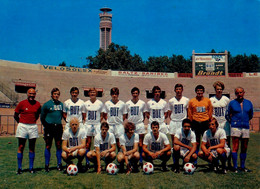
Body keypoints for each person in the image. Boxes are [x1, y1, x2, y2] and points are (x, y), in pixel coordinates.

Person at [226, 87, 253, 173]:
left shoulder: (249, 103)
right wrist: (233, 122)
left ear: (244, 93)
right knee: (235, 147)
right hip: (235, 127)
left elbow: (251, 115)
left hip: (245, 126)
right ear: (235, 94)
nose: (239, 94)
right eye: (237, 93)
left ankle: (242, 166)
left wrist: (245, 121)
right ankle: (235, 167)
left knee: (244, 147)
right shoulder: (232, 103)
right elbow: (227, 114)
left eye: (241, 92)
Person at [14, 88, 41, 174]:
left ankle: (31, 168)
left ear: (35, 95)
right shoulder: (22, 103)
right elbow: (15, 115)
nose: (32, 95)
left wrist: (31, 122)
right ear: (27, 94)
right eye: (30, 94)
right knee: (21, 146)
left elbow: (37, 115)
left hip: (32, 126)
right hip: (23, 126)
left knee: (32, 148)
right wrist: (21, 123)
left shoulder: (38, 104)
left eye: (33, 94)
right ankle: (19, 168)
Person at [41, 88, 64, 172]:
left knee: (58, 145)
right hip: (49, 127)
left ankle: (59, 164)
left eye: (57, 94)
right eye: (55, 94)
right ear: (51, 95)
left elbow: (63, 115)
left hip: (58, 127)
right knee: (48, 145)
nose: (56, 95)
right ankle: (47, 165)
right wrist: (46, 126)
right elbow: (42, 117)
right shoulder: (47, 104)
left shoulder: (61, 104)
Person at [210, 81, 231, 168]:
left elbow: (230, 111)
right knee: (215, 142)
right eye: (217, 89)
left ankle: (228, 163)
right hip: (215, 124)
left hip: (225, 123)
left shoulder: (226, 99)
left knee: (227, 144)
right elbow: (210, 112)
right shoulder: (211, 99)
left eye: (220, 89)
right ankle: (215, 163)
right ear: (215, 90)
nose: (219, 91)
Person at [168, 84, 189, 166]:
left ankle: (184, 160)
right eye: (177, 89)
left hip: (182, 122)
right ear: (175, 90)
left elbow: (188, 111)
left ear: (182, 90)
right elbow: (169, 113)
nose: (178, 90)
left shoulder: (186, 100)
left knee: (183, 142)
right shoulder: (171, 101)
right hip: (174, 122)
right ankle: (175, 163)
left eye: (180, 89)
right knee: (174, 143)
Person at [188, 85, 213, 153]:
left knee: (207, 140)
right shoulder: (192, 101)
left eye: (201, 91)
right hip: (196, 122)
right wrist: (192, 121)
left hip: (205, 122)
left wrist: (209, 120)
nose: (199, 92)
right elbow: (190, 113)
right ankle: (195, 157)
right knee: (196, 141)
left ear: (203, 92)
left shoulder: (207, 100)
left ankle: (209, 156)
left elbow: (210, 111)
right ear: (196, 92)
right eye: (198, 91)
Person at [125, 87, 146, 167]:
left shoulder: (142, 103)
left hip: (139, 124)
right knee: (130, 143)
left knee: (140, 144)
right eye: (133, 93)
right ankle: (130, 159)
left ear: (138, 94)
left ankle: (140, 160)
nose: (135, 95)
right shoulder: (127, 103)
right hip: (131, 125)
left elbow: (144, 115)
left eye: (136, 93)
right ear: (131, 94)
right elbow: (126, 115)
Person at [84, 88, 104, 169]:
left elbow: (102, 115)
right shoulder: (86, 103)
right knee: (88, 144)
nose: (92, 94)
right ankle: (87, 162)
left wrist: (97, 122)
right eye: (91, 92)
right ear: (89, 94)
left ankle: (96, 161)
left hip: (96, 125)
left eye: (94, 92)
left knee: (97, 144)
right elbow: (84, 115)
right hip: (88, 124)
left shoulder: (100, 103)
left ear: (96, 93)